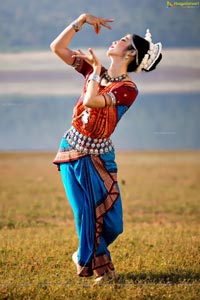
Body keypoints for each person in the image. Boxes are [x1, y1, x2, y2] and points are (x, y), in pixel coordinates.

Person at [50, 13, 162, 284]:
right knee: (86, 214)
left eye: (123, 40)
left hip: (100, 156)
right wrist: (82, 20)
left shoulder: (127, 88)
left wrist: (96, 71)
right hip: (73, 150)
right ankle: (104, 272)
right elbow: (57, 48)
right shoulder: (93, 70)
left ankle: (84, 252)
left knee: (113, 224)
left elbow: (91, 101)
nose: (116, 39)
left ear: (131, 54)